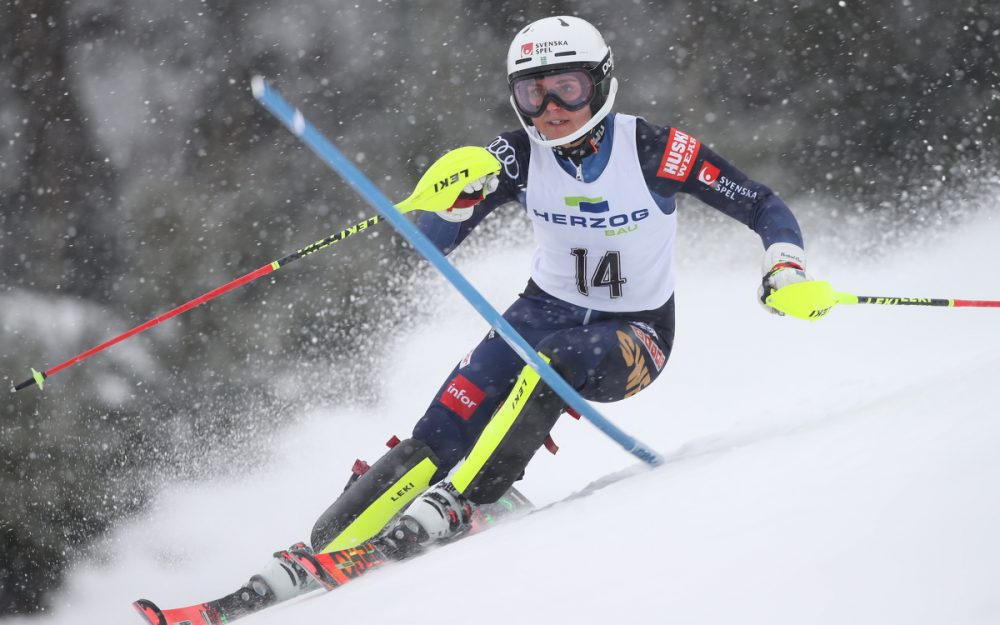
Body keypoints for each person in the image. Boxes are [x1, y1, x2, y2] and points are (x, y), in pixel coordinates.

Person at [253, 15, 809, 599]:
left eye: (566, 87)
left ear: (599, 82)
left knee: (558, 357)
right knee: (439, 432)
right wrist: (456, 204)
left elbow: (762, 204)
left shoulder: (657, 150)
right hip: (539, 313)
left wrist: (785, 266)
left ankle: (471, 498)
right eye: (530, 92)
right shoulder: (514, 155)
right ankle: (325, 549)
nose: (549, 108)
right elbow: (432, 244)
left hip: (636, 334)